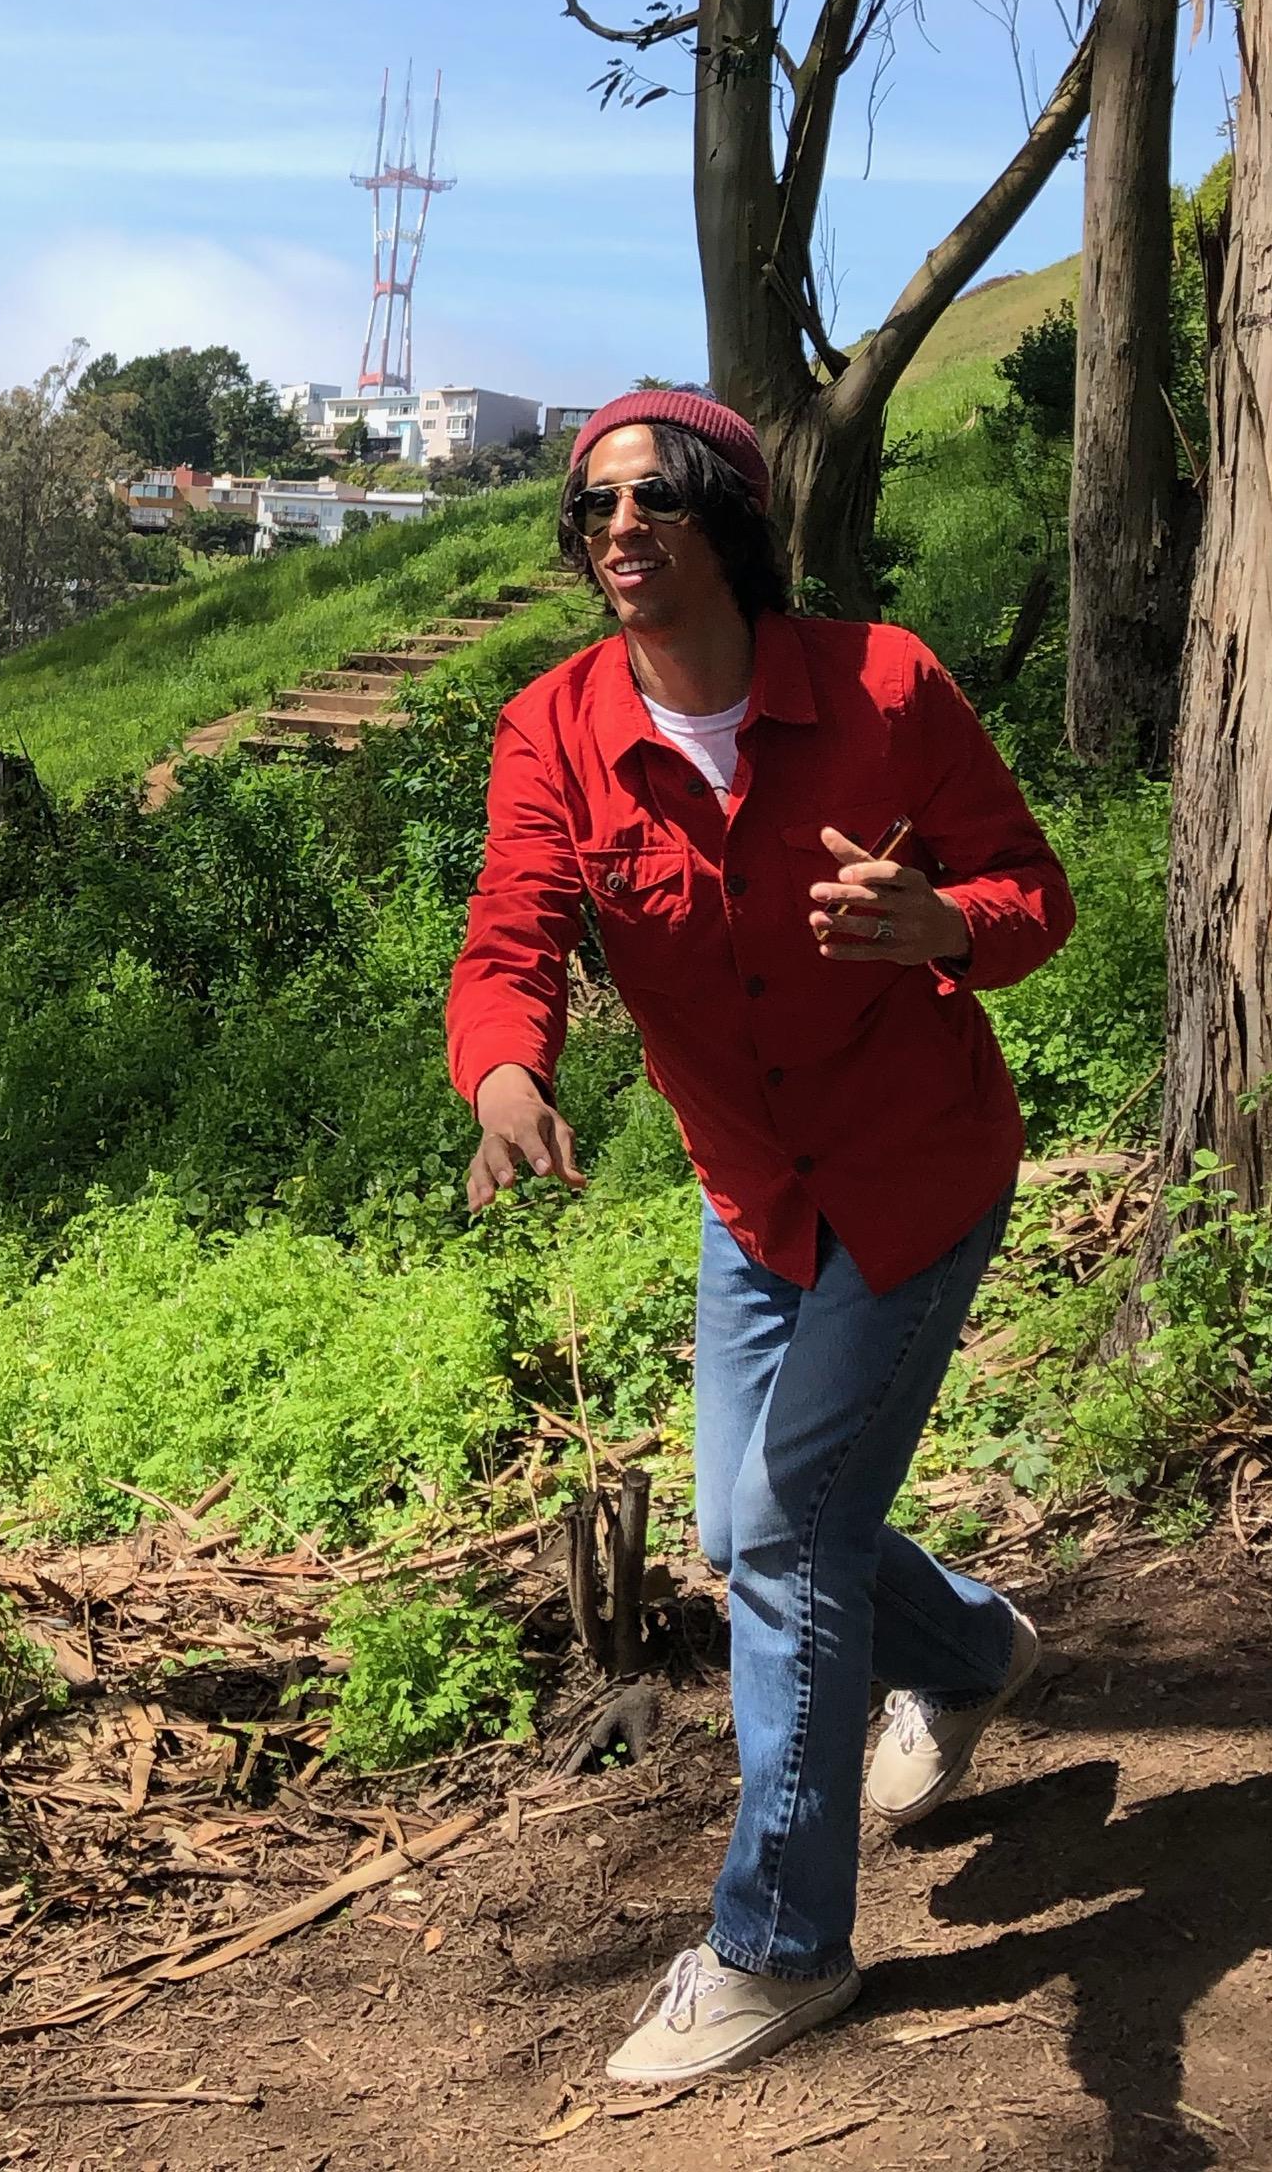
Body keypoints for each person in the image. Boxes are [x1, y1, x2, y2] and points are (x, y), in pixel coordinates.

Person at [445, 388, 1072, 2087]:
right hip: (754, 1194)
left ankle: (783, 1947)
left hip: (919, 1172)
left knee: (789, 1528)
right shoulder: (554, 731)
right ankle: (971, 1647)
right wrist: (505, 1069)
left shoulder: (885, 686)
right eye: (590, 510)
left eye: (649, 498)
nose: (616, 529)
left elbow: (1033, 892)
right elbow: (515, 931)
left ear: (725, 512)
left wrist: (941, 919)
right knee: (748, 1520)